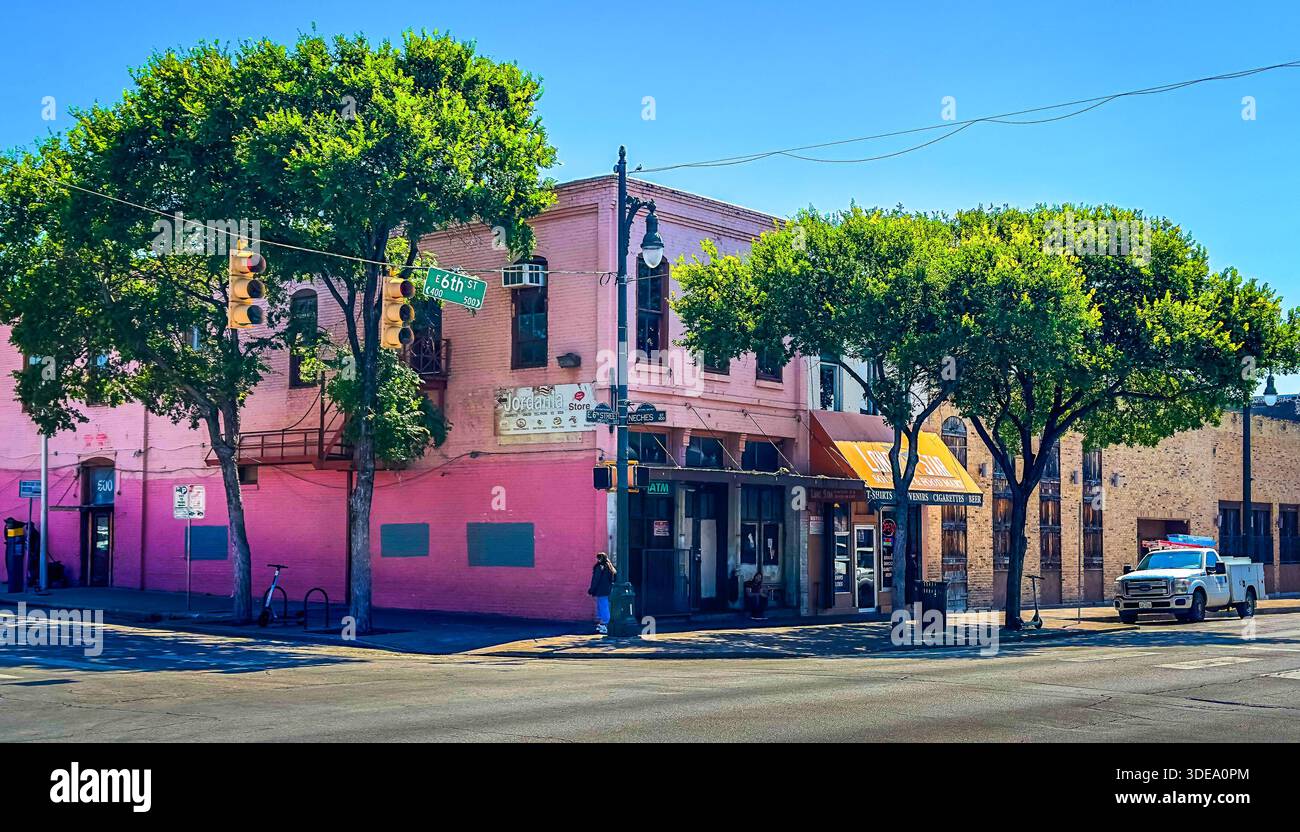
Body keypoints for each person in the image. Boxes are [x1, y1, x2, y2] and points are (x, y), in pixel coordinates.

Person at [587, 551, 616, 635]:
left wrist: (591, 590)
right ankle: (603, 623)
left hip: (601, 590)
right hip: (608, 590)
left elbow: (595, 580)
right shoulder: (610, 567)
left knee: (602, 606)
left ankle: (605, 624)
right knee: (605, 605)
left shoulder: (599, 567)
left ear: (599, 558)